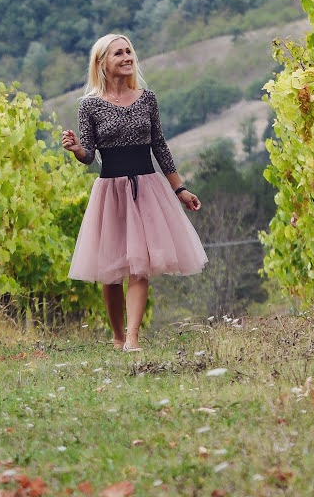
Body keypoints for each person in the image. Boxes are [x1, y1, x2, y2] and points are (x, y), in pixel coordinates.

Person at [59, 33, 207, 350]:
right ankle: (116, 335)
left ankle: (132, 337)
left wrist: (179, 189)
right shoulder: (89, 105)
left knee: (140, 266)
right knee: (111, 272)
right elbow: (89, 156)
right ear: (102, 63)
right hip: (110, 190)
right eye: (119, 54)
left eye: (129, 52)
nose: (127, 57)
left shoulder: (147, 98)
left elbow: (160, 146)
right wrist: (75, 149)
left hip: (147, 188)